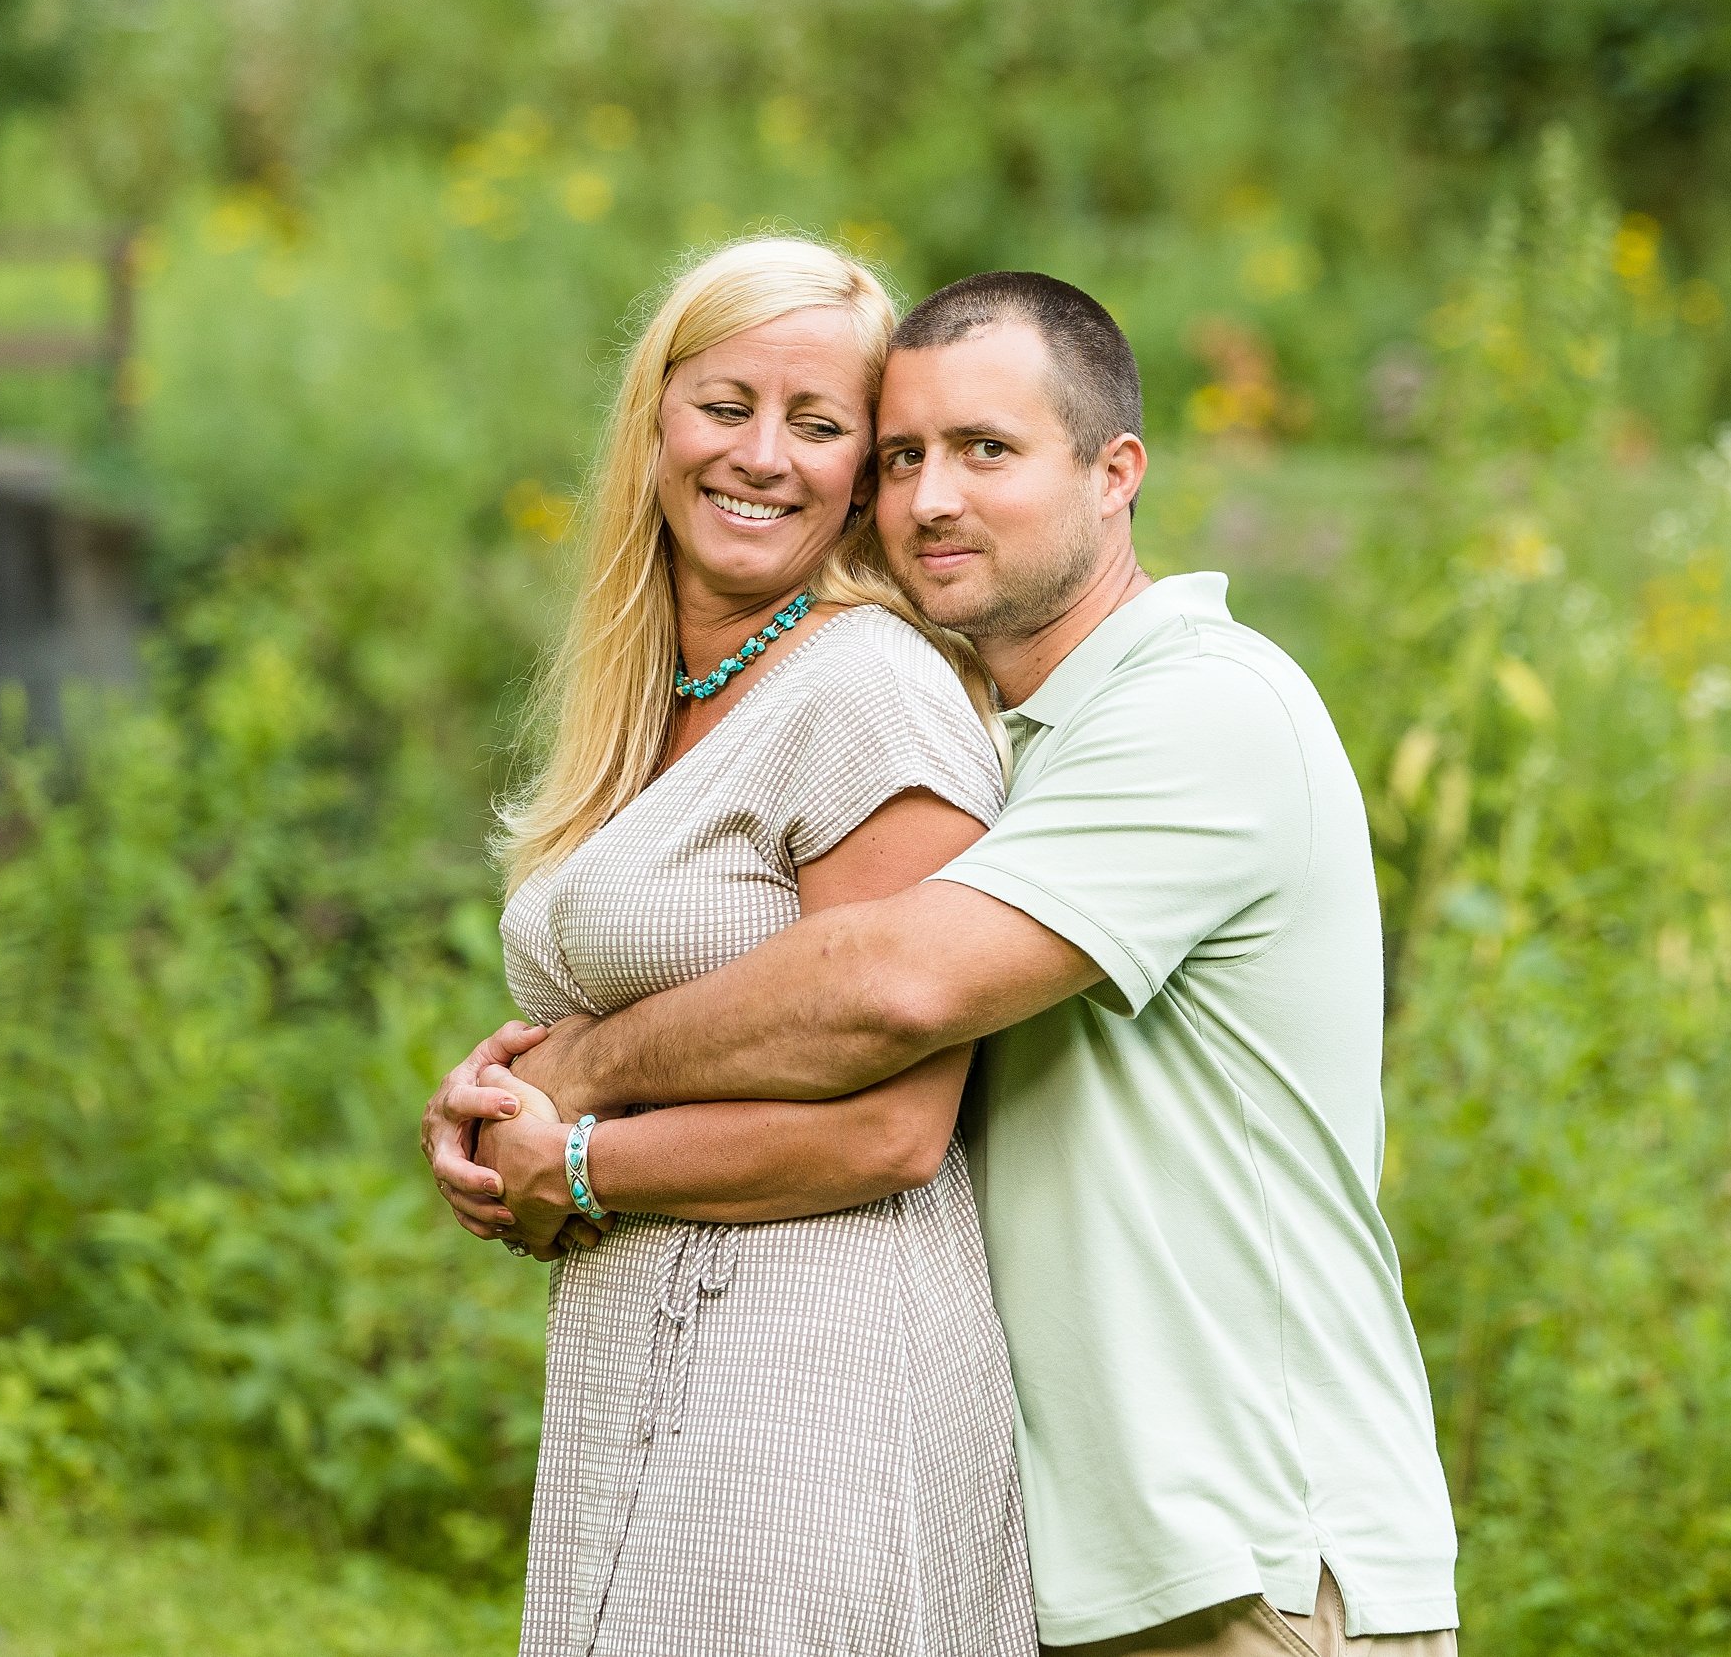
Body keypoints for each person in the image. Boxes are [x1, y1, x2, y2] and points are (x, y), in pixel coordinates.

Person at [428, 271, 1460, 1655]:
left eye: (988, 451)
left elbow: (887, 990)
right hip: (1087, 1563)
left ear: (1116, 474)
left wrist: (577, 1084)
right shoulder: (1019, 741)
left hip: (1259, 1566)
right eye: (904, 455)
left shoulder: (1206, 711)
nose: (930, 501)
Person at [442, 236, 1034, 1657]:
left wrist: (573, 1160)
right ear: (655, 421)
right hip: (651, 1343)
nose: (762, 457)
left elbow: (897, 1125)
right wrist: (506, 1100)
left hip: (812, 1374)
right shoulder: (655, 706)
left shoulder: (871, 689)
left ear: (862, 477)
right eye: (726, 406)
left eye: (819, 426)